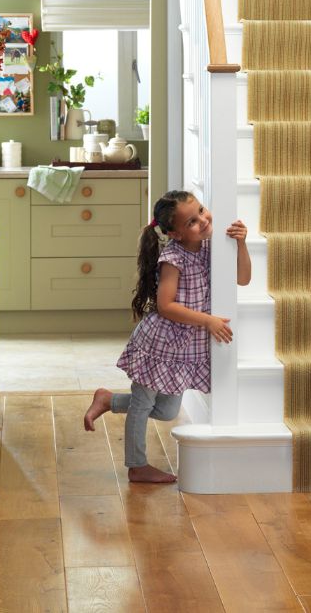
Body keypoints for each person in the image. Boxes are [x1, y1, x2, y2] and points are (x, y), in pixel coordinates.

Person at [83, 190, 251, 483]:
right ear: (174, 233)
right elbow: (166, 306)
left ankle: (108, 400)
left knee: (166, 409)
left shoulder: (211, 247)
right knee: (143, 404)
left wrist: (241, 244)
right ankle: (137, 465)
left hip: (183, 349)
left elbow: (243, 278)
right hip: (160, 344)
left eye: (201, 211)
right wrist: (208, 320)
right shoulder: (173, 258)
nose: (203, 220)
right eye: (192, 222)